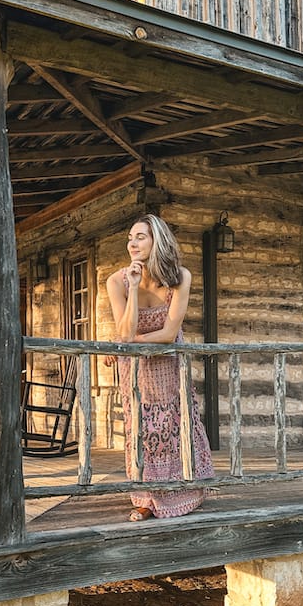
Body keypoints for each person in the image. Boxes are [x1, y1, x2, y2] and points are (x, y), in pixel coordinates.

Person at [106, 214, 214, 521]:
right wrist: (135, 287)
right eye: (130, 237)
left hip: (168, 364)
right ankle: (146, 497)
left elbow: (168, 334)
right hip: (136, 369)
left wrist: (127, 344)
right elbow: (124, 332)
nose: (132, 243)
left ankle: (184, 492)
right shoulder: (117, 281)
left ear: (157, 241)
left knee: (173, 426)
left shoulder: (180, 277)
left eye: (140, 236)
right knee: (142, 428)